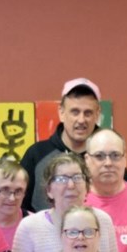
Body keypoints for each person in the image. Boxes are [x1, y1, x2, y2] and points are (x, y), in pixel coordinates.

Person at [20, 78, 102, 212]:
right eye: (75, 112)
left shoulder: (108, 158)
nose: (81, 120)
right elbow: (18, 207)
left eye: (88, 113)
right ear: (61, 112)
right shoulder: (37, 154)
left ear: (97, 115)